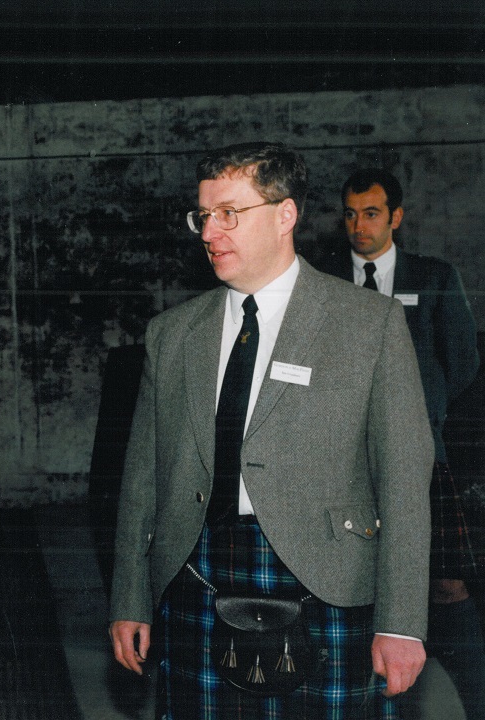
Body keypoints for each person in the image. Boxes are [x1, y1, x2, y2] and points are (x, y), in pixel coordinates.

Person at [108, 142, 435, 718]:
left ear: (286, 215)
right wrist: (130, 597)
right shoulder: (172, 333)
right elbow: (142, 481)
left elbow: (405, 481)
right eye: (203, 216)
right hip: (196, 576)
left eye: (229, 213)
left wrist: (403, 623)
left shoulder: (369, 324)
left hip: (330, 586)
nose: (210, 231)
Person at [321, 168, 483, 719]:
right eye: (349, 213)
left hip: (421, 461)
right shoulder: (322, 281)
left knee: (444, 587)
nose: (358, 226)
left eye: (371, 213)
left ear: (396, 217)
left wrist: (421, 417)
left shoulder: (434, 278)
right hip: (346, 463)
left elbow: (463, 366)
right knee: (359, 583)